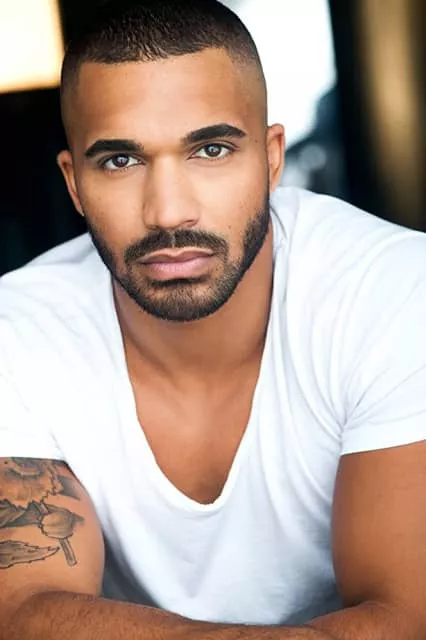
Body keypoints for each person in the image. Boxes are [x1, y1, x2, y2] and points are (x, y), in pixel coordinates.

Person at [0, 0, 425, 638]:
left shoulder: (393, 289)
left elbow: (406, 617)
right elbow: (24, 611)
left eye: (212, 149)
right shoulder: (17, 329)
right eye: (120, 161)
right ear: (74, 184)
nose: (169, 212)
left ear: (273, 158)